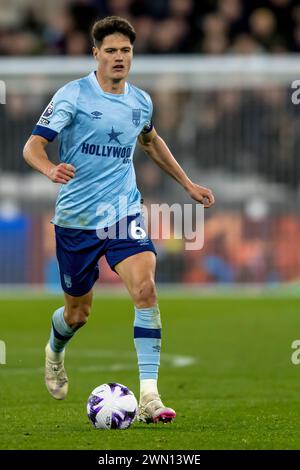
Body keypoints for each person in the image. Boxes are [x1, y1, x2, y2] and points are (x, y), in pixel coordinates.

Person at [23, 16, 215, 424]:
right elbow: (33, 146)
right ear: (95, 54)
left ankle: (149, 396)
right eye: (110, 50)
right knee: (78, 315)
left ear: (132, 55)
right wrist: (48, 169)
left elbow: (150, 141)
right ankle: (55, 350)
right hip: (76, 219)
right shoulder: (73, 95)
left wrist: (187, 184)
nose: (118, 57)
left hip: (123, 213)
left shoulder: (141, 102)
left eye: (125, 50)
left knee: (145, 290)